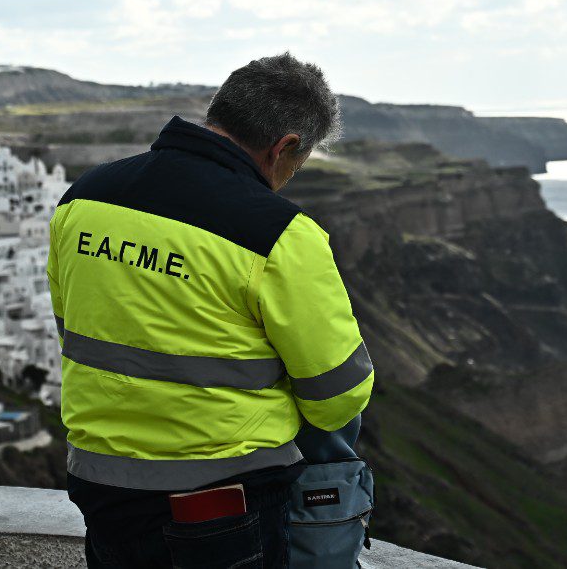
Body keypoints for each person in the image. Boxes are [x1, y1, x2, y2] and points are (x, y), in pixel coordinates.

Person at [46, 52, 374, 568]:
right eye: (299, 162)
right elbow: (338, 395)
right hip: (222, 500)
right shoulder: (278, 235)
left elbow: (76, 329)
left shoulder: (85, 198)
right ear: (285, 147)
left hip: (101, 485)